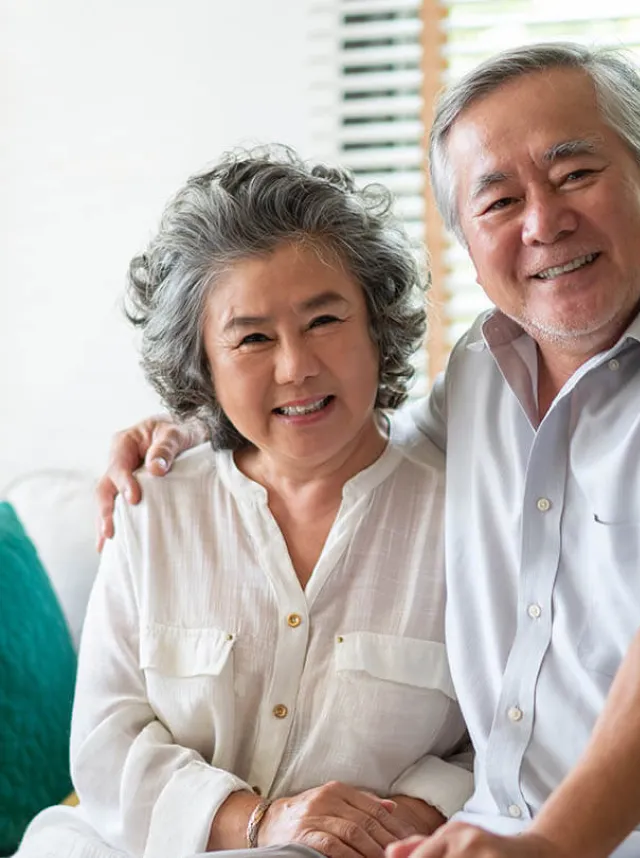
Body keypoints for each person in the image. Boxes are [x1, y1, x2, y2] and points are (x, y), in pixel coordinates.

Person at [96, 43, 640, 858]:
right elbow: (351, 440)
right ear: (468, 244)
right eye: (500, 200)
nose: (543, 223)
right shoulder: (486, 367)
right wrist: (201, 428)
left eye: (575, 174)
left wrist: (547, 845)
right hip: (501, 833)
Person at [16, 148, 472, 858]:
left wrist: (416, 810)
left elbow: (509, 733)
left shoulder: (465, 518)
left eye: (325, 321)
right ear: (203, 364)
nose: (296, 367)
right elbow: (107, 738)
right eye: (253, 338)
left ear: (377, 326)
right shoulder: (155, 505)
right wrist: (258, 821)